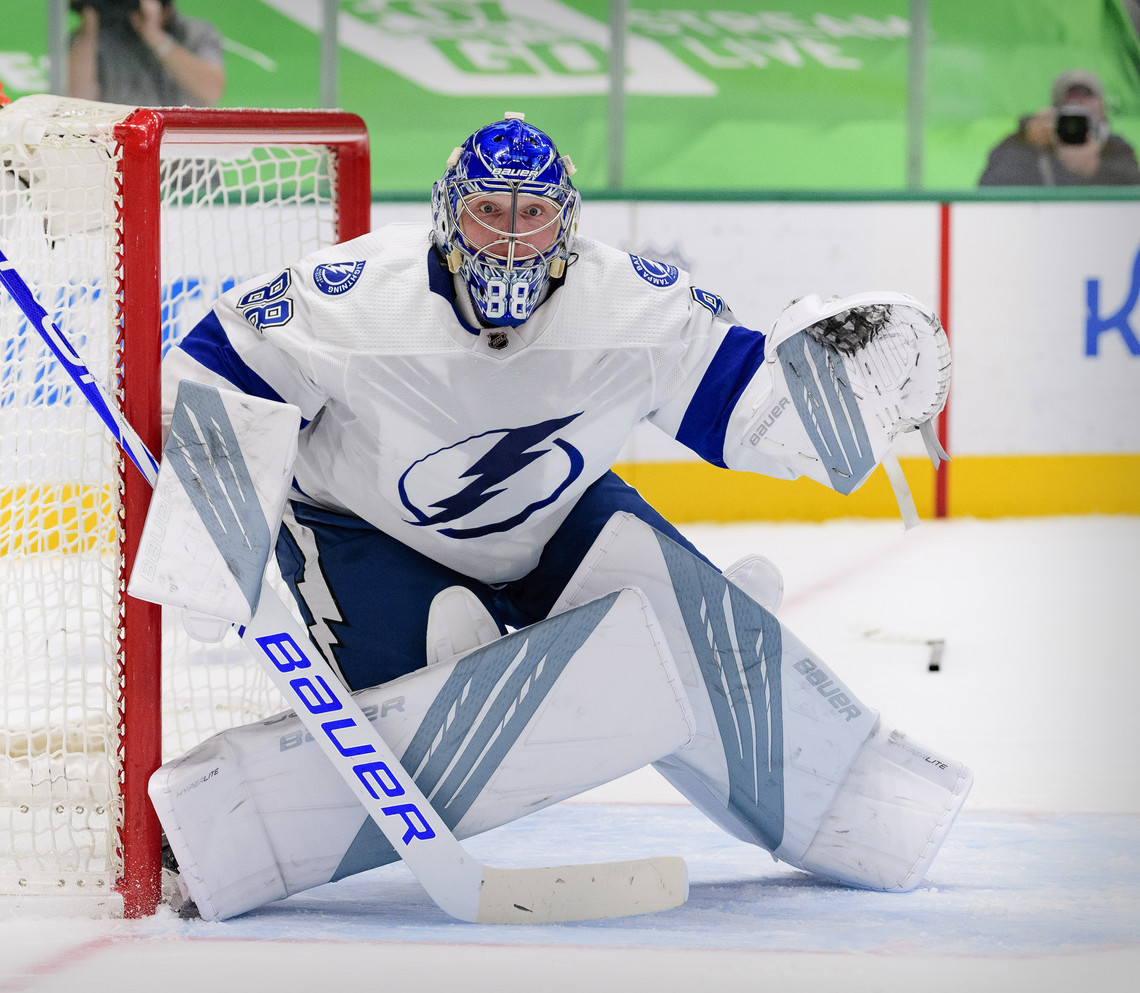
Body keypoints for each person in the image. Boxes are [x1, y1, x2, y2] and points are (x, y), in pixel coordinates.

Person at [149, 114, 972, 921]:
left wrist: (819, 408)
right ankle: (214, 832)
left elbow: (736, 404)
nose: (511, 239)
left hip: (556, 514)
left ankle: (865, 809)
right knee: (420, 713)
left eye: (534, 215)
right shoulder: (357, 299)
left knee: (697, 632)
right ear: (447, 217)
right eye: (489, 213)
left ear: (566, 225)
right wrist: (210, 538)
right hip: (366, 530)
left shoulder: (630, 306)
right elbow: (215, 369)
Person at [979, 68, 1140, 186]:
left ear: (1101, 108)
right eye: (1071, 100)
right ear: (1054, 111)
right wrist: (1030, 142)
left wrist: (1094, 168)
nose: (1079, 103)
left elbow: (1133, 189)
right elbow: (992, 188)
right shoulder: (1025, 143)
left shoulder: (1114, 147)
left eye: (1087, 97)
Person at [67, 0, 224, 107]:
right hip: (118, 150)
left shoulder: (194, 33)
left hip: (184, 150)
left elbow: (211, 92)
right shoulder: (91, 39)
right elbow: (77, 100)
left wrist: (155, 37)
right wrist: (89, 21)